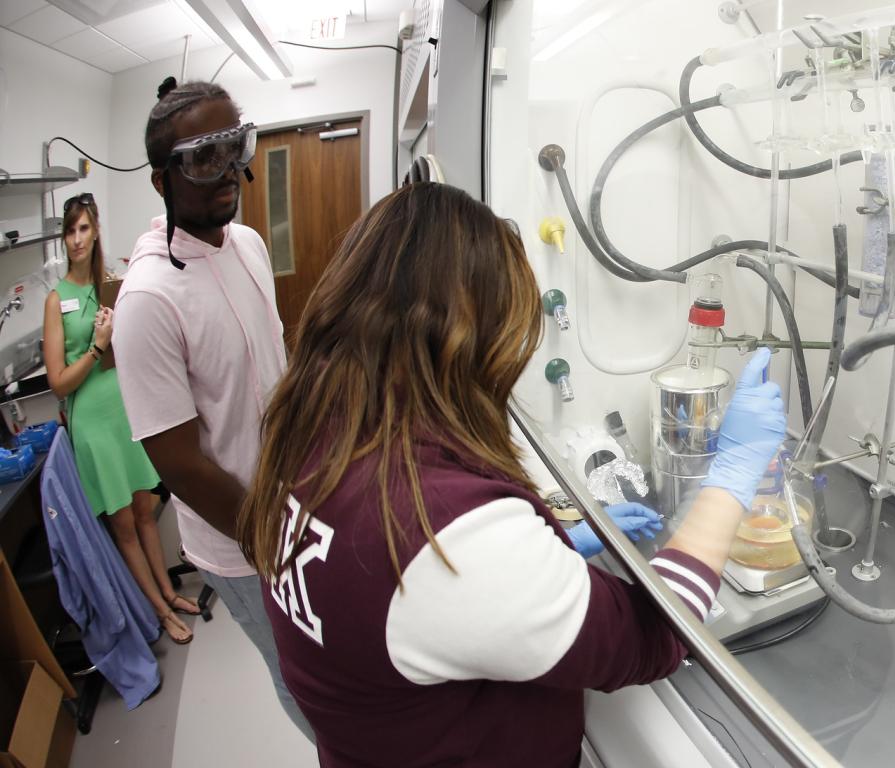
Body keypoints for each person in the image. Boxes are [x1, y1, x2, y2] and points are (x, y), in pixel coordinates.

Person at [235, 182, 788, 767]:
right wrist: (733, 472)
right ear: (467, 338)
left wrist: (547, 545)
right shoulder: (441, 529)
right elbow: (653, 637)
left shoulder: (312, 432)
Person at [111, 78, 312, 739]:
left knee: (331, 663)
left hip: (296, 509)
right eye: (203, 159)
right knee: (302, 680)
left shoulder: (248, 243)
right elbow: (180, 464)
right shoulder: (149, 298)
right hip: (244, 540)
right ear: (161, 179)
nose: (229, 173)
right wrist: (272, 540)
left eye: (235, 147)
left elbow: (269, 375)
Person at [41, 192, 199, 646]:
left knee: (145, 511)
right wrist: (96, 345)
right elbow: (58, 382)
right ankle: (158, 613)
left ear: (96, 231)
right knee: (124, 524)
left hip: (123, 409)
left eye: (84, 229)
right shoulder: (57, 300)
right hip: (91, 422)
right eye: (69, 231)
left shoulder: (110, 283)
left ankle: (171, 595)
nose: (77, 240)